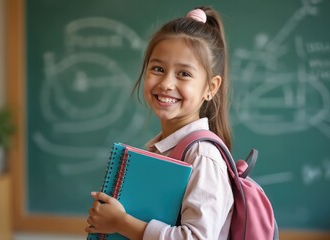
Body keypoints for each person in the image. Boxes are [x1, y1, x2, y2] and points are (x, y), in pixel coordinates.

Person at [85, 6, 233, 240]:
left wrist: (120, 222)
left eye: (184, 74)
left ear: (210, 87)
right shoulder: (162, 147)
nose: (166, 83)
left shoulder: (203, 156)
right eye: (158, 69)